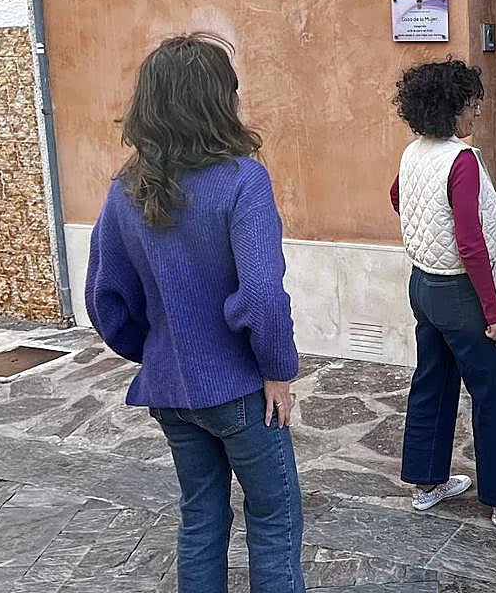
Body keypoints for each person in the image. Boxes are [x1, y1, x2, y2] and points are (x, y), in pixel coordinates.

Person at [86, 33, 304, 593]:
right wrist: (278, 371)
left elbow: (104, 299)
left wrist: (159, 350)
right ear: (218, 100)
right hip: (239, 390)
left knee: (201, 518)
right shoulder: (242, 180)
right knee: (274, 519)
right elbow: (262, 296)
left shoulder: (124, 189)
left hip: (169, 390)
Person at [389, 58, 496, 535]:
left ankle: (427, 483)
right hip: (458, 292)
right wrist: (493, 311)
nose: (477, 113)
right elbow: (470, 240)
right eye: (471, 105)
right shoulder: (461, 161)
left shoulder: (414, 153)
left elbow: (397, 198)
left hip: (422, 285)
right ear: (451, 109)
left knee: (433, 381)